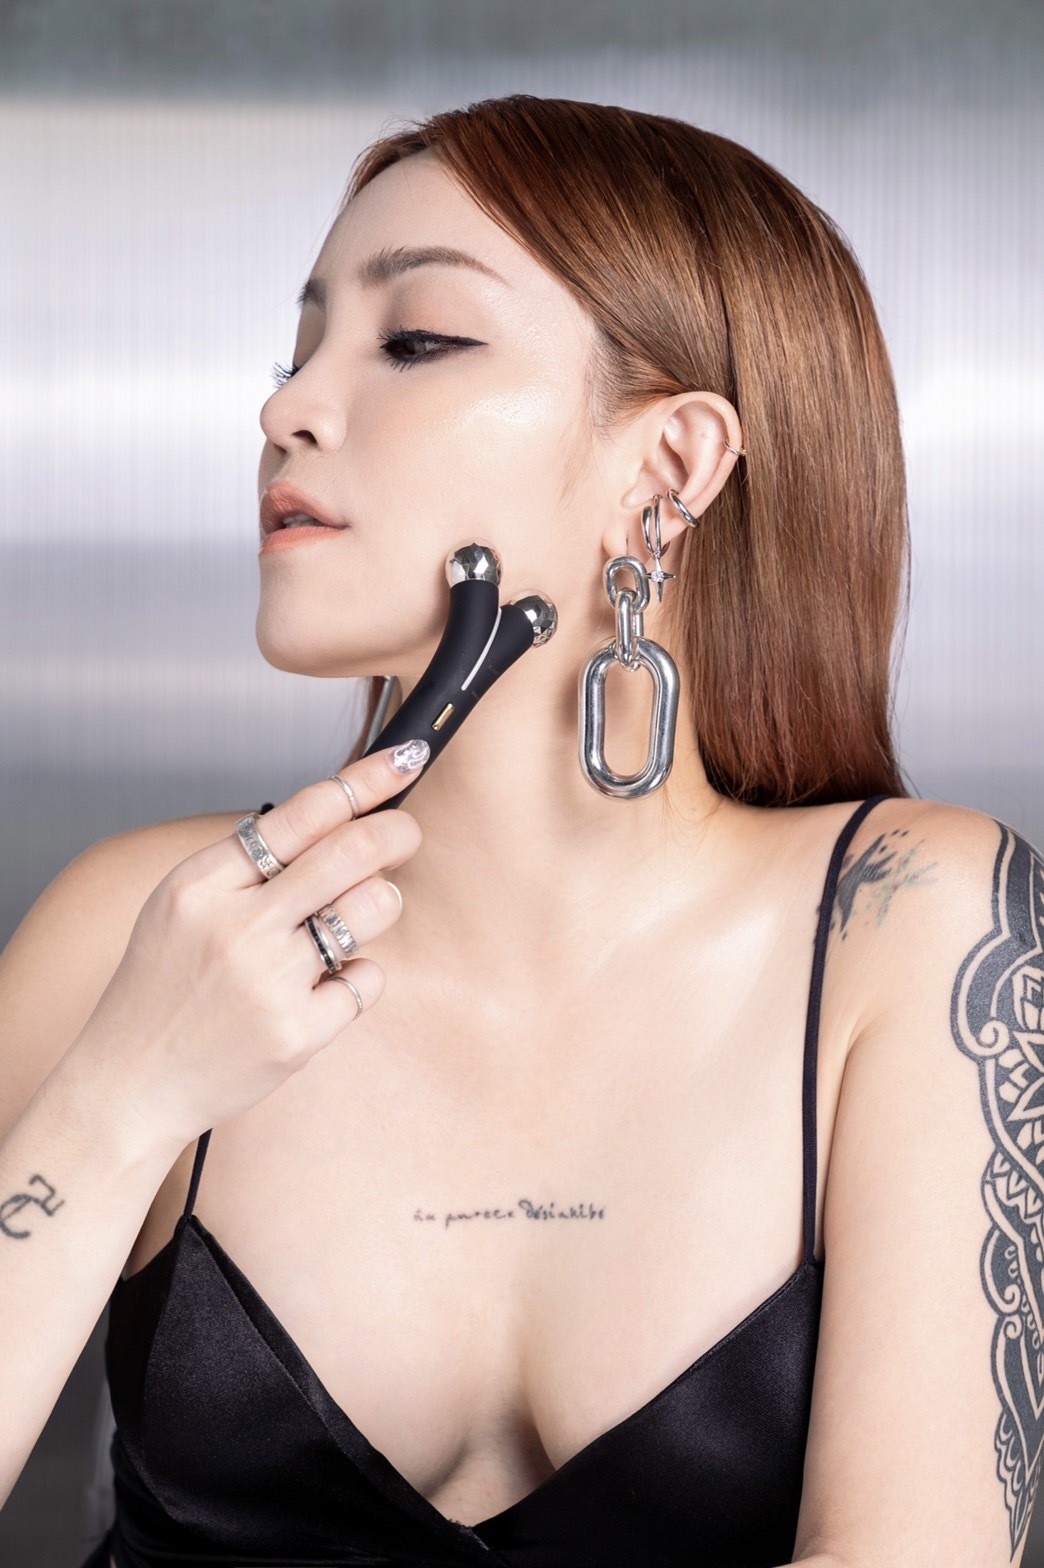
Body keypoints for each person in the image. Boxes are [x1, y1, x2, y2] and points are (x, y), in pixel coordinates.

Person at [0, 92, 1040, 1568]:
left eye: (416, 340)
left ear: (669, 470)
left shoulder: (911, 921)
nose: (287, 410)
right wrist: (121, 1102)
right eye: (297, 351)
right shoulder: (139, 924)